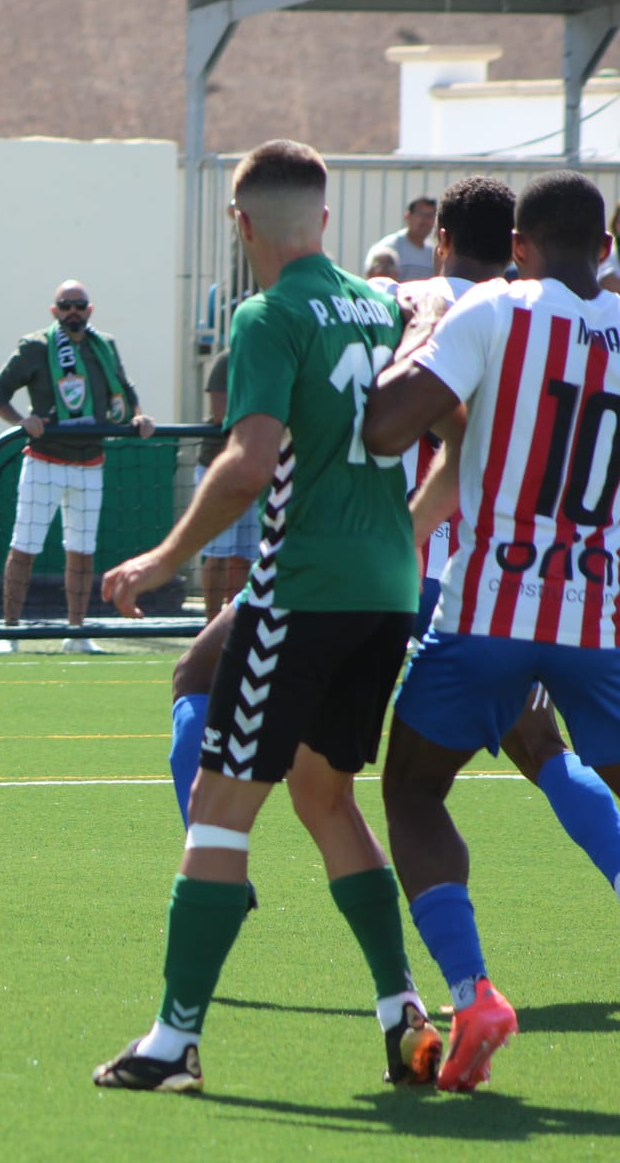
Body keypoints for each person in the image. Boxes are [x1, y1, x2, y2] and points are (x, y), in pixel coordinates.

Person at [94, 140, 437, 1094]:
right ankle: (401, 1012)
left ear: (240, 223)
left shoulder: (267, 314)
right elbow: (463, 438)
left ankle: (173, 1043)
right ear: (323, 219)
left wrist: (164, 559)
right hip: (387, 595)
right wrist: (400, 534)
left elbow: (249, 463)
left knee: (218, 810)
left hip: (301, 596)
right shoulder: (386, 306)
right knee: (326, 796)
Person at [363, 170, 620, 1091]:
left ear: (518, 247)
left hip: (486, 614)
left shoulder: (493, 310)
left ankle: (473, 993)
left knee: (413, 790)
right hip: (599, 616)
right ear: (604, 250)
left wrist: (421, 341)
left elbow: (387, 429)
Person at [0, 281, 154, 654]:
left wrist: (139, 416)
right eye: (65, 305)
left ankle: (77, 632)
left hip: (90, 461)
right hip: (44, 461)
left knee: (82, 551)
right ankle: (10, 632)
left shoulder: (104, 346)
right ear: (54, 310)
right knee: (24, 546)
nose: (72, 311)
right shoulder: (36, 346)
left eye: (79, 305)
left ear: (90, 310)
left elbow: (126, 390)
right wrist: (21, 421)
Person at [194, 348, 255, 620]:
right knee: (218, 553)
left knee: (244, 556)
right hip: (217, 468)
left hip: (255, 468)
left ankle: (234, 624)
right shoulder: (226, 360)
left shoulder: (275, 359)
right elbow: (221, 415)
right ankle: (211, 623)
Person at [365, 196, 438, 283]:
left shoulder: (434, 253)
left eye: (430, 216)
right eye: (421, 214)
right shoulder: (389, 247)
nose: (425, 220)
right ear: (408, 216)